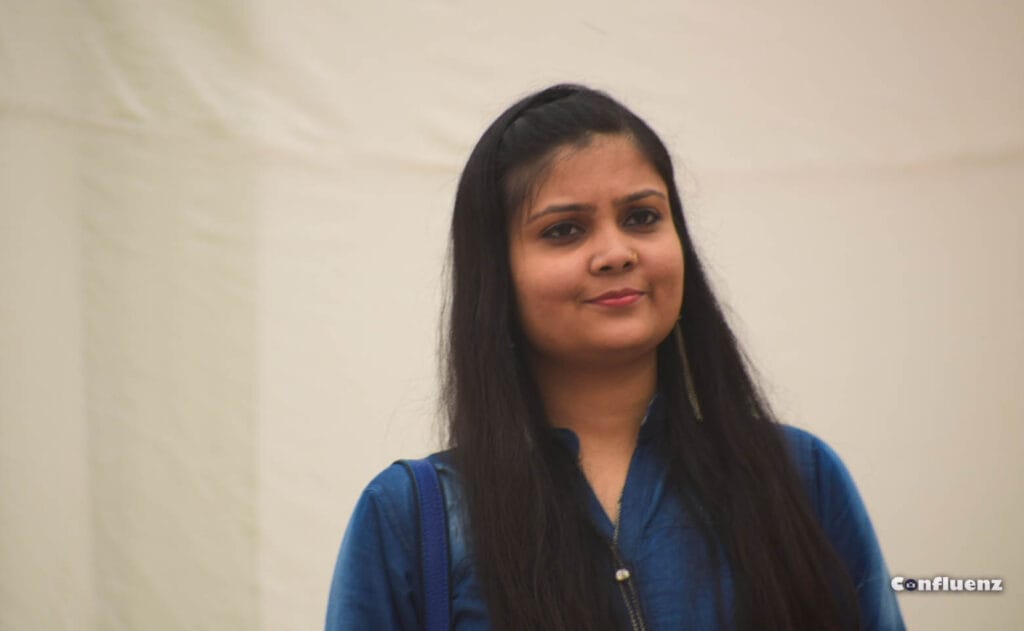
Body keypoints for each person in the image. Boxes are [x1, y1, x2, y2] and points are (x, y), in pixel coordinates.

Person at [326, 84, 905, 630]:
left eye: (642, 218)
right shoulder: (416, 518)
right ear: (495, 273)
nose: (616, 252)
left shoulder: (799, 477)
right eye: (565, 230)